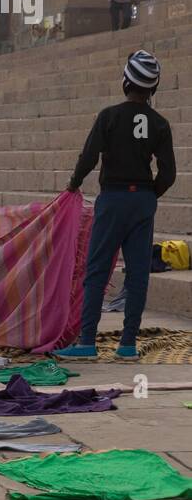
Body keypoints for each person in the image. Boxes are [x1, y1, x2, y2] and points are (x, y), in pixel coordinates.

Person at [60, 51, 176, 359]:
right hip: (142, 201)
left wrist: (73, 183)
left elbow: (89, 157)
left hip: (112, 199)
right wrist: (150, 195)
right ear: (153, 87)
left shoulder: (109, 116)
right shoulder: (160, 124)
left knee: (97, 269)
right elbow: (169, 173)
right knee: (138, 274)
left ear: (126, 81)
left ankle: (86, 342)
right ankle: (128, 345)